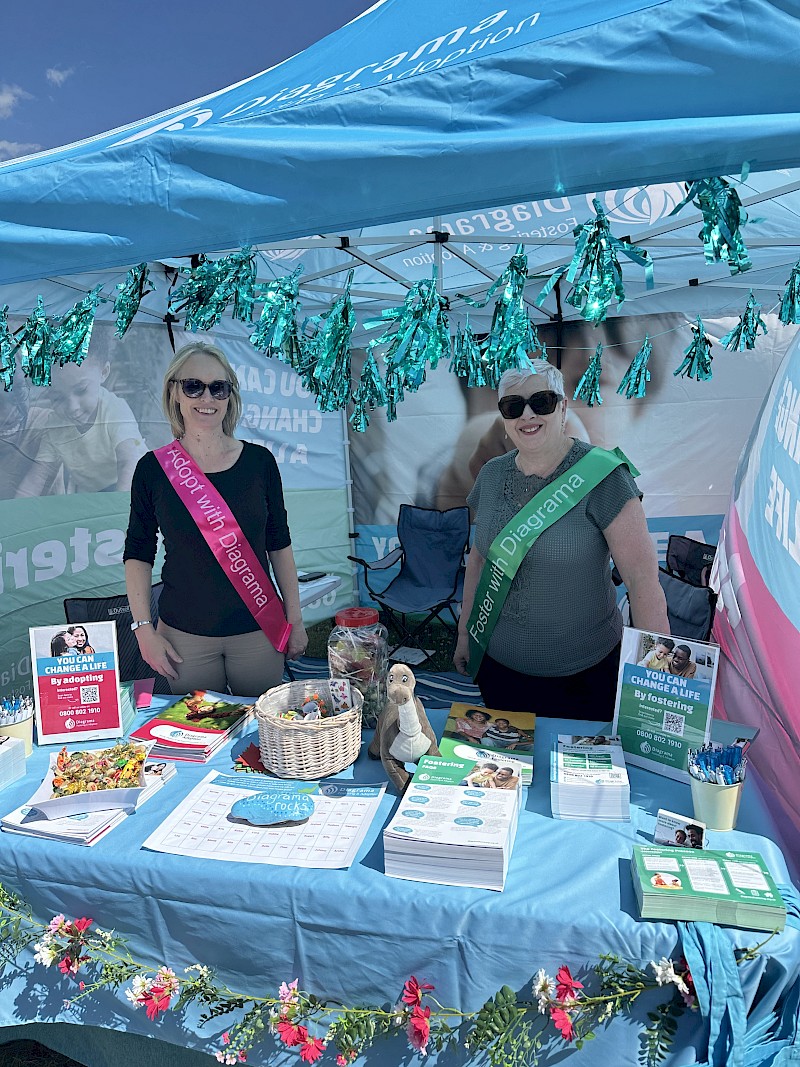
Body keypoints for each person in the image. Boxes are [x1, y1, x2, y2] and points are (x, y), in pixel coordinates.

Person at [454, 360, 669, 720]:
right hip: (500, 669)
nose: (527, 414)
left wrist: (656, 676)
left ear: (564, 406)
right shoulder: (490, 476)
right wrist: (464, 635)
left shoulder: (604, 477)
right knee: (509, 774)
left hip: (586, 676)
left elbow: (642, 580)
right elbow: (479, 559)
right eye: (513, 406)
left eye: (542, 401)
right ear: (503, 417)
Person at [123, 341, 308, 697]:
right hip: (183, 637)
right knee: (196, 740)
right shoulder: (152, 469)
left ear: (229, 396)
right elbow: (138, 552)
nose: (206, 398)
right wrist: (144, 630)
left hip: (258, 630)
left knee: (261, 739)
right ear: (175, 391)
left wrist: (295, 620)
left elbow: (279, 543)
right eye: (193, 386)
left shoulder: (260, 463)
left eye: (218, 388)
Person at [15, 350, 146, 496]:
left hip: (138, 483)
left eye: (81, 390)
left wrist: (122, 509)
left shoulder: (115, 410)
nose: (72, 407)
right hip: (95, 492)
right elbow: (37, 477)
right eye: (58, 398)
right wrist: (16, 512)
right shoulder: (56, 426)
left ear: (103, 372)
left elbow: (128, 461)